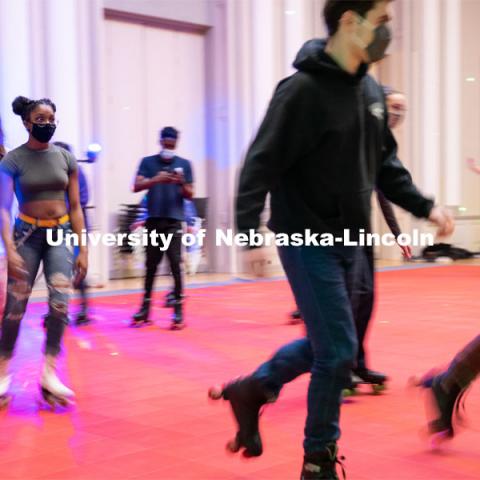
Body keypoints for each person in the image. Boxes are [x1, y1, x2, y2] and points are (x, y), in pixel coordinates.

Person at [209, 1, 454, 478]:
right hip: (305, 238)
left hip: (352, 240)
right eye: (382, 20)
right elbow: (260, 163)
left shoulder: (368, 89)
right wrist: (249, 235)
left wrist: (426, 206)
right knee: (340, 351)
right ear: (349, 22)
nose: (388, 30)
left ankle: (251, 391)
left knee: (329, 343)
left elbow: (385, 165)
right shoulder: (300, 92)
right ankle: (318, 460)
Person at [0, 96, 87, 407]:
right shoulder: (12, 161)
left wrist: (83, 247)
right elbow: (3, 209)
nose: (47, 123)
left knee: (60, 305)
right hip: (27, 236)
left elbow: (75, 207)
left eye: (51, 118)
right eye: (40, 118)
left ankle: (49, 373)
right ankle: (2, 373)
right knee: (15, 307)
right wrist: (9, 248)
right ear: (26, 122)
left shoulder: (66, 158)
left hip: (60, 234)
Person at [131, 127, 194, 330]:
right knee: (151, 267)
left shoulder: (184, 164)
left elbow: (190, 194)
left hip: (174, 222)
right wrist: (155, 180)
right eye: (166, 142)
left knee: (176, 266)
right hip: (154, 221)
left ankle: (178, 311)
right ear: (160, 141)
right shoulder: (148, 162)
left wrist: (181, 182)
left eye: (172, 143)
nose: (168, 146)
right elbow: (136, 186)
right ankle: (145, 308)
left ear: (176, 143)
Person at [53, 142, 91, 326]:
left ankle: (83, 308)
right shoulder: (51, 174)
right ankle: (58, 310)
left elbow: (82, 200)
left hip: (76, 227)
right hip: (55, 228)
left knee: (79, 269)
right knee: (56, 270)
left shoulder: (77, 173)